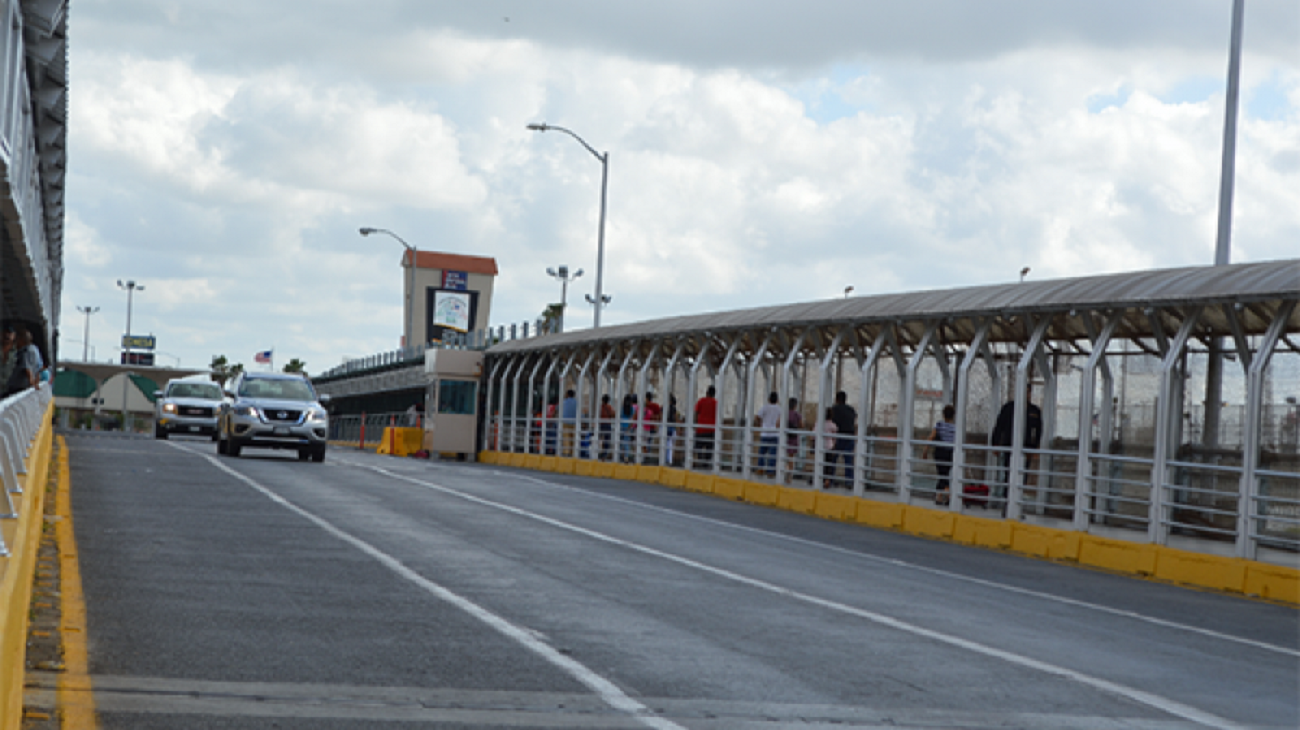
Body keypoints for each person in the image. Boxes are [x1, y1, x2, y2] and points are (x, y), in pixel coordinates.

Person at [991, 394, 1043, 509]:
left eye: (1029, 391)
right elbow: (999, 425)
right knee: (1009, 475)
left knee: (1023, 477)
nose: (1027, 394)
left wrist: (1035, 448)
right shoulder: (1009, 407)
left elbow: (1038, 431)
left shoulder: (1034, 410)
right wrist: (995, 443)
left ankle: (1017, 504)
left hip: (1027, 449)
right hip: (1009, 447)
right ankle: (1007, 504)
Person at [923, 405, 957, 505]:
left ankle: (943, 495)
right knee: (944, 474)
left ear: (943, 415)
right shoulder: (955, 428)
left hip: (940, 452)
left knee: (942, 474)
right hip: (950, 454)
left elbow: (931, 437)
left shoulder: (939, 425)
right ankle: (943, 496)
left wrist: (925, 450)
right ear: (953, 416)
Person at [826, 391, 857, 489]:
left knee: (833, 459)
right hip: (850, 436)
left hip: (838, 436)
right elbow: (854, 421)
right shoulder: (851, 410)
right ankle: (849, 481)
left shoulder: (834, 409)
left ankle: (830, 480)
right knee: (848, 461)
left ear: (837, 399)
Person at [4, 325, 41, 397]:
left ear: (21, 340)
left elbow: (27, 368)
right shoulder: (35, 349)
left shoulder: (25, 351)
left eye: (17, 340)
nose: (16, 342)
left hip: (18, 389)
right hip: (22, 388)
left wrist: (31, 383)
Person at [755, 391, 782, 477]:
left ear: (769, 399)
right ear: (777, 400)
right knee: (772, 454)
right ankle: (770, 472)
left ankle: (760, 468)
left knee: (762, 452)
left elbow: (757, 417)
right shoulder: (779, 409)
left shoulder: (765, 407)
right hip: (775, 434)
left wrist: (760, 423)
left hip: (765, 433)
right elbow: (781, 420)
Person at [694, 386, 718, 469]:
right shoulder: (716, 403)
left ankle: (700, 460)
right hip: (711, 429)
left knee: (699, 446)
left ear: (707, 393)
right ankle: (706, 463)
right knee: (709, 447)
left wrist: (695, 424)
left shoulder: (701, 401)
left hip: (701, 428)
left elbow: (696, 412)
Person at [786, 397, 804, 482]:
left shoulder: (785, 414)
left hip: (785, 437)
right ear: (795, 406)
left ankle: (784, 472)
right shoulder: (797, 415)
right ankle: (789, 476)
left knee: (784, 455)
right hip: (793, 437)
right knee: (791, 457)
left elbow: (777, 424)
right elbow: (801, 425)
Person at [821, 407, 839, 488]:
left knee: (821, 464)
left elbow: (813, 435)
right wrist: (834, 444)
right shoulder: (833, 425)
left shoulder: (819, 423)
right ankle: (827, 481)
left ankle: (820, 478)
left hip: (820, 446)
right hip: (829, 446)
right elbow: (834, 437)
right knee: (828, 465)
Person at [619, 394, 637, 463]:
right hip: (628, 427)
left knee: (621, 441)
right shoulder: (632, 408)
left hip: (622, 426)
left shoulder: (622, 408)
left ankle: (619, 455)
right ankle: (626, 457)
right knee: (626, 442)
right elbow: (633, 419)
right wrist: (630, 427)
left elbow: (620, 416)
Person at [560, 388, 578, 457]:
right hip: (574, 422)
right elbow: (580, 413)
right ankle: (572, 452)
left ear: (567, 394)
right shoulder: (576, 402)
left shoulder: (564, 402)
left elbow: (558, 408)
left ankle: (566, 451)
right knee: (573, 437)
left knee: (566, 437)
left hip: (565, 422)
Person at [598, 394, 616, 461]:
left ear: (602, 400)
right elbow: (613, 415)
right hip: (608, 425)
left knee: (600, 439)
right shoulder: (609, 407)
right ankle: (604, 455)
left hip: (601, 425)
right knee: (607, 441)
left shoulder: (600, 407)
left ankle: (600, 453)